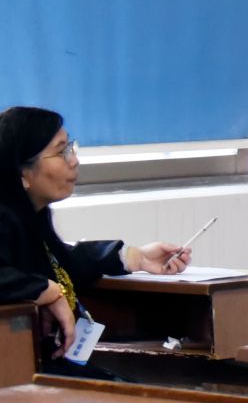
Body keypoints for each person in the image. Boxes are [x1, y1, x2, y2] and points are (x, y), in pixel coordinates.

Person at [0, 107, 190, 368]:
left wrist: (135, 257)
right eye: (61, 152)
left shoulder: (32, 214)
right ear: (22, 173)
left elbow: (63, 260)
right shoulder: (4, 217)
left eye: (71, 148)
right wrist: (46, 290)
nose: (74, 160)